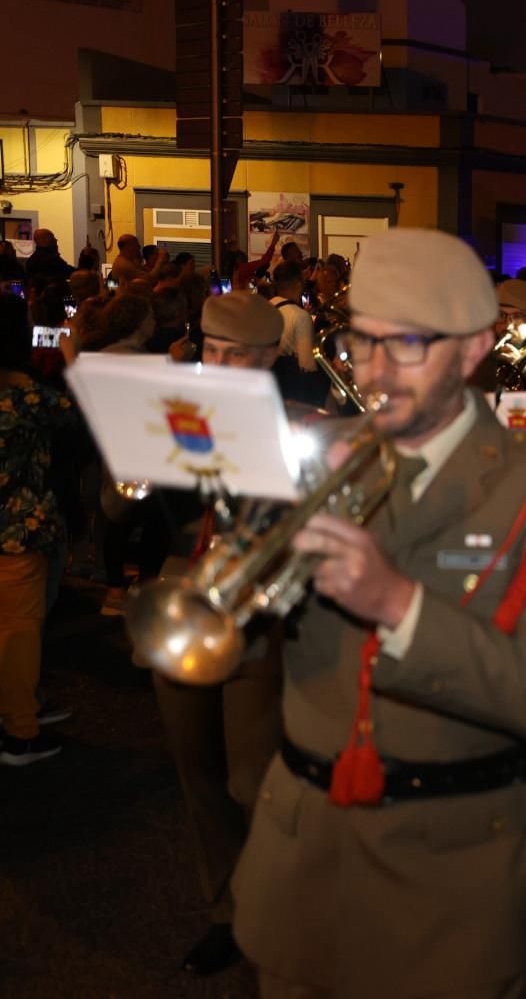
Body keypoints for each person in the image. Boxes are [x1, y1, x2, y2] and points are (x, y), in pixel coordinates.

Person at [230, 227, 526, 999]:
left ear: (472, 352)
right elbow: (235, 647)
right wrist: (240, 576)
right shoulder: (317, 448)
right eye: (362, 341)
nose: (373, 370)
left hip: (447, 883)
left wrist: (398, 606)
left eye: (405, 345)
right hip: (301, 864)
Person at [138, 292, 289, 975]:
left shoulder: (297, 426)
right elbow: (115, 507)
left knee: (251, 779)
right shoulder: (172, 417)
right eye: (211, 349)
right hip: (182, 600)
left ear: (269, 358)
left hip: (256, 615)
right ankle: (226, 911)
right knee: (194, 768)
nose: (218, 363)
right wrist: (138, 467)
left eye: (236, 354)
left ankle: (276, 911)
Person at [0, 294, 76, 766]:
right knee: (19, 630)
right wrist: (71, 359)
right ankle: (20, 731)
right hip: (18, 528)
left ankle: (22, 709)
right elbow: (75, 417)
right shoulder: (27, 394)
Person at [24, 228, 74, 293]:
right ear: (48, 239)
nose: (56, 240)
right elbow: (68, 272)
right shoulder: (51, 259)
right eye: (53, 237)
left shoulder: (31, 260)